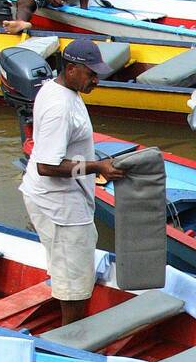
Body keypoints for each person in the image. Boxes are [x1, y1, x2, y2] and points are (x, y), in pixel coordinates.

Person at [19, 37, 125, 326]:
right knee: (75, 284)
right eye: (91, 74)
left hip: (63, 198)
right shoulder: (59, 108)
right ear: (71, 70)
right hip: (60, 207)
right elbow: (46, 166)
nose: (96, 81)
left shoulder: (58, 89)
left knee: (71, 269)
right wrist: (96, 166)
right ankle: (72, 340)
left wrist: (93, 163)